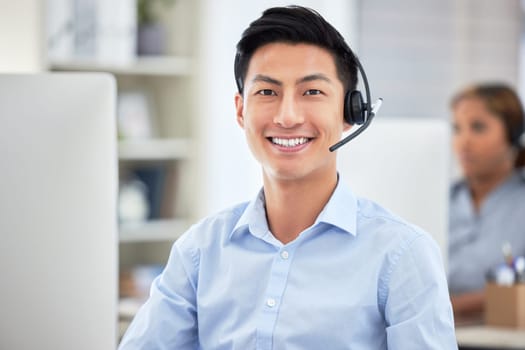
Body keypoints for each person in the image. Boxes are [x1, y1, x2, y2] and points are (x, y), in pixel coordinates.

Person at [119, 6, 457, 349]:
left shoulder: (402, 256)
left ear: (350, 112)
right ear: (240, 110)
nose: (288, 116)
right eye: (267, 92)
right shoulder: (200, 252)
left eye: (312, 92)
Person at [448, 83, 525, 321]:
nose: (463, 141)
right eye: (457, 129)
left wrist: (452, 305)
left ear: (512, 133)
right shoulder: (444, 198)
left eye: (478, 128)